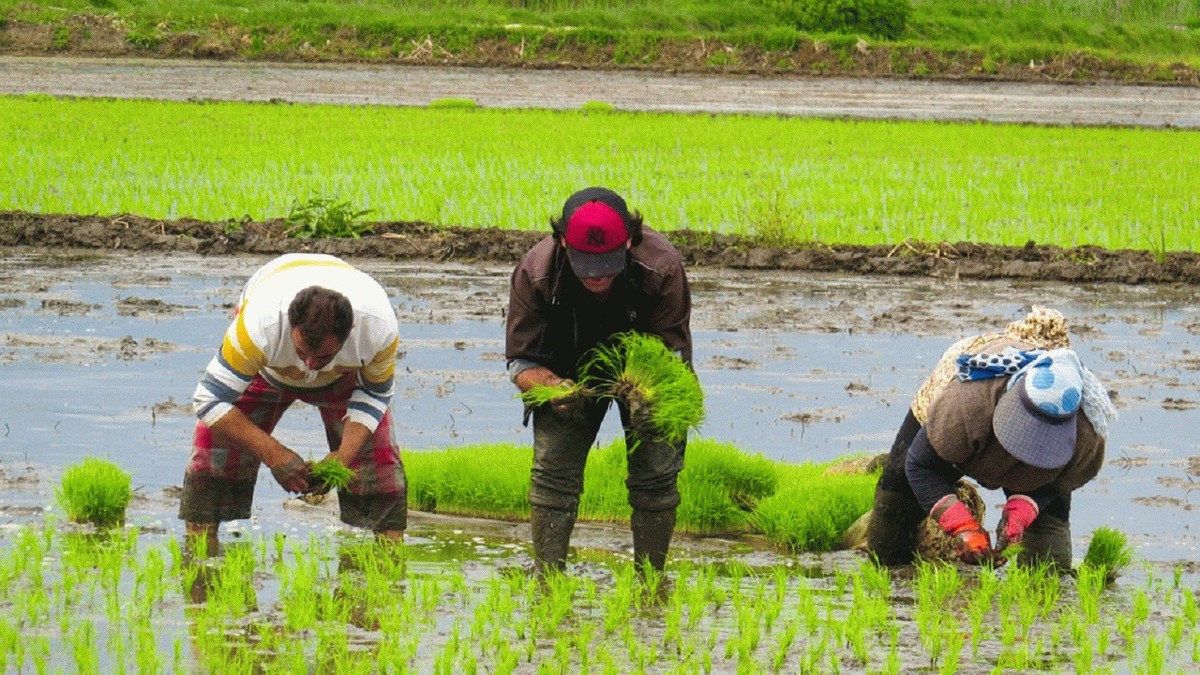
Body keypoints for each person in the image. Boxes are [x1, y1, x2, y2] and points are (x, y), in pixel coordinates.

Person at [506, 187, 693, 574]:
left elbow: (671, 360)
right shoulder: (536, 271)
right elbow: (522, 361)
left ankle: (650, 576)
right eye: (585, 264)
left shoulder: (662, 268)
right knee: (553, 472)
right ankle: (547, 576)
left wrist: (648, 394)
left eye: (608, 264)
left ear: (628, 240)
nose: (597, 277)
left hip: (646, 371)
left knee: (656, 472)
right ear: (562, 241)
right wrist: (553, 388)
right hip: (565, 369)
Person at [179, 253, 406, 555]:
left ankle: (388, 565)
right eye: (302, 352)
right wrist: (274, 454)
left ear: (349, 333)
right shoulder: (259, 325)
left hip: (343, 378)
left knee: (379, 469)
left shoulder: (377, 329)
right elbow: (209, 399)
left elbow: (375, 395)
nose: (310, 367)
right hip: (268, 372)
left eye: (323, 357)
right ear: (290, 325)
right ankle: (200, 561)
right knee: (214, 455)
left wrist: (342, 457)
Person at [866, 307, 1117, 568]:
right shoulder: (965, 407)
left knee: (1048, 559)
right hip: (964, 416)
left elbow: (1062, 481)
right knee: (895, 501)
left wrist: (1024, 510)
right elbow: (920, 466)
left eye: (1043, 441)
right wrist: (962, 526)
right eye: (1025, 432)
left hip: (1035, 457)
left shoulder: (1086, 436)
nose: (1026, 449)